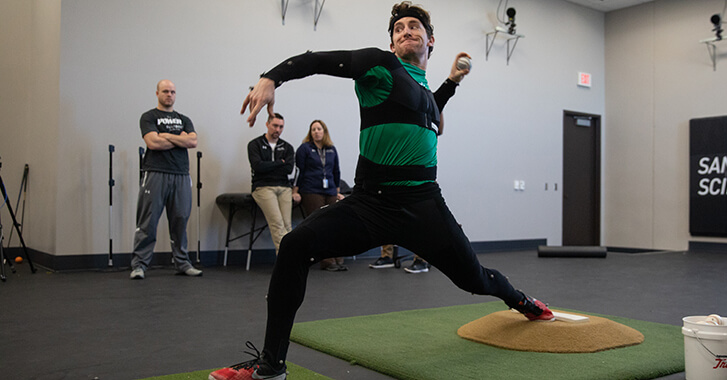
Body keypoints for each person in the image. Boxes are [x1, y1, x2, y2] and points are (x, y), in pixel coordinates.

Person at [210, 3, 553, 379]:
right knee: (294, 246)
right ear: (391, 43)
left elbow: (428, 107)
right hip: (369, 205)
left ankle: (521, 300)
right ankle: (270, 366)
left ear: (431, 40)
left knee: (476, 279)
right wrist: (271, 78)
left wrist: (453, 81)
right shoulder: (381, 66)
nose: (406, 31)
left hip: (424, 205)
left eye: (414, 27)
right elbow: (319, 60)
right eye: (399, 29)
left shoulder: (422, 91)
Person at [130, 79, 202, 279]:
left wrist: (166, 136)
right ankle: (139, 265)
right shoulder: (149, 116)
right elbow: (153, 143)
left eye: (172, 92)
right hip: (155, 172)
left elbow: (193, 141)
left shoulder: (184, 119)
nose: (169, 95)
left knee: (180, 219)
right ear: (157, 93)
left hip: (181, 174)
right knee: (148, 222)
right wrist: (179, 138)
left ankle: (182, 263)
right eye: (165, 91)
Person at [292, 120, 346, 271]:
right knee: (321, 224)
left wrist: (337, 191)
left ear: (324, 131)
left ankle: (338, 257)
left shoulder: (331, 149)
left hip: (330, 190)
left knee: (336, 223)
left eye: (319, 129)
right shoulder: (305, 149)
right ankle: (327, 261)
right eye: (313, 129)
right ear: (310, 132)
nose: (316, 131)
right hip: (311, 190)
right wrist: (295, 191)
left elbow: (336, 171)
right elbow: (299, 171)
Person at [248, 113, 295, 254]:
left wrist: (270, 165)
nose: (278, 130)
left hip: (284, 187)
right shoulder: (255, 144)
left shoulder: (287, 147)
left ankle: (287, 256)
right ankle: (286, 258)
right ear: (267, 124)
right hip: (263, 187)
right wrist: (279, 163)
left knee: (287, 225)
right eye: (275, 126)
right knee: (277, 223)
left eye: (281, 127)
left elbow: (289, 168)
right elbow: (257, 166)